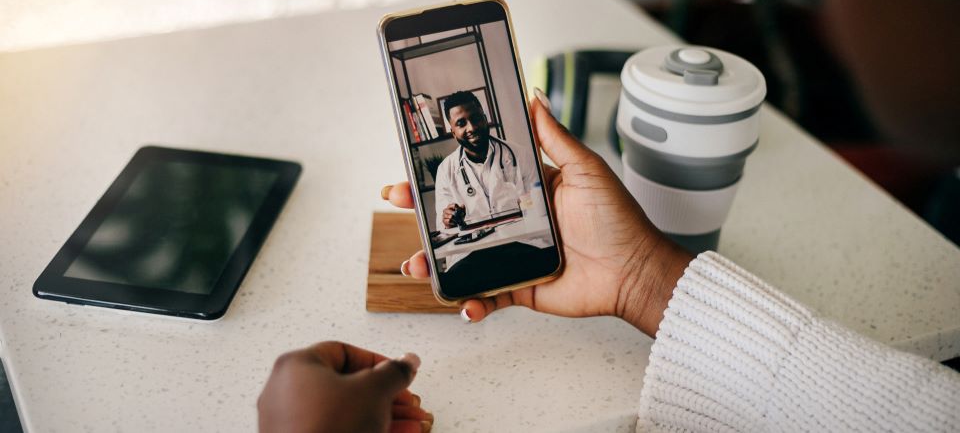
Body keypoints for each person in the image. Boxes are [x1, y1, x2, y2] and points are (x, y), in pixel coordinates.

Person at [259, 90, 960, 431]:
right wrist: (641, 278)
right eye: (456, 126)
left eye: (472, 119)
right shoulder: (446, 172)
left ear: (485, 120)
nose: (466, 129)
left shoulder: (508, 156)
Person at [432, 90, 537, 230]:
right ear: (453, 133)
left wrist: (528, 204)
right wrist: (447, 220)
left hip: (523, 237)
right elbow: (442, 224)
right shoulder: (445, 170)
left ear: (485, 118)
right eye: (461, 123)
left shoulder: (519, 155)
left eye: (475, 118)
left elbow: (538, 203)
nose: (472, 127)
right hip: (477, 247)